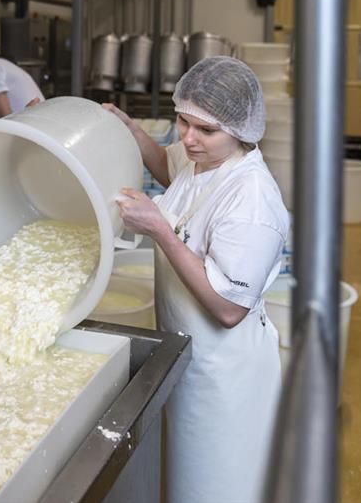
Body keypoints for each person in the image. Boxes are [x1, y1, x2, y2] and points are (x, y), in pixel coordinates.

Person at [106, 56, 289, 503]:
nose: (188, 138)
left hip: (223, 377)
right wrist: (131, 130)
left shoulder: (252, 201)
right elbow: (172, 172)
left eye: (204, 130)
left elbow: (228, 310)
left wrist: (160, 232)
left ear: (241, 130)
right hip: (185, 355)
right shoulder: (204, 161)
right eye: (182, 121)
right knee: (182, 479)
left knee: (214, 487)